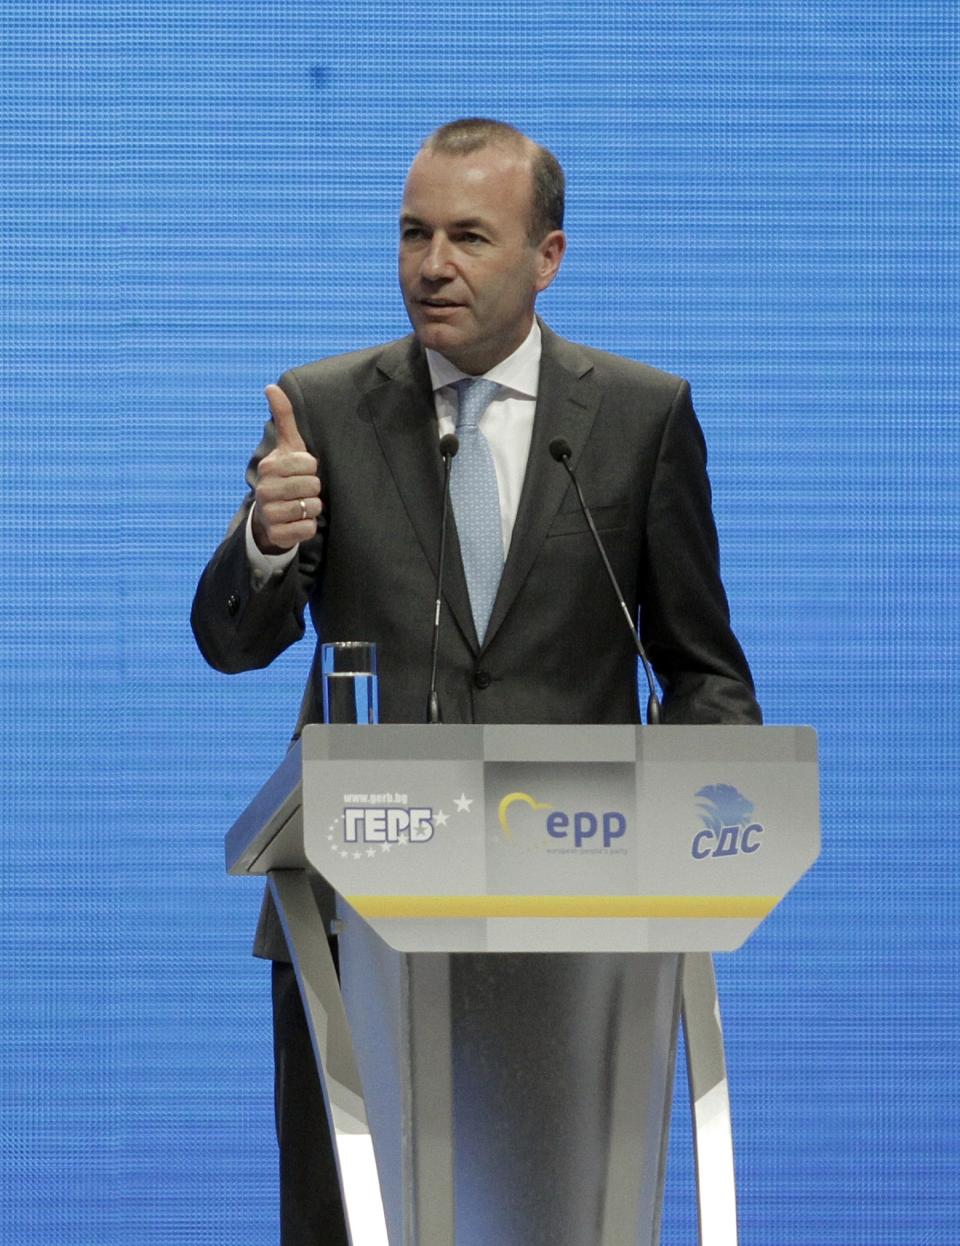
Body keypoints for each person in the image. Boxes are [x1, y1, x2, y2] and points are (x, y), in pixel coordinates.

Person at [192, 117, 761, 1245]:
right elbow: (233, 639)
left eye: (467, 236)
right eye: (412, 234)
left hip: (577, 936)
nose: (431, 265)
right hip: (356, 928)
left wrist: (703, 821)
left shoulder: (641, 418)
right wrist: (263, 537)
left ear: (547, 255)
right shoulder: (326, 407)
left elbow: (703, 669)